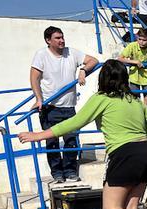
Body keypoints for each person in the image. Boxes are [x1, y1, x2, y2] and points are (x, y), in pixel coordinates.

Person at [19, 59, 147, 209]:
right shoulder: (134, 100)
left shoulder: (101, 98)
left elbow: (75, 122)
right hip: (145, 152)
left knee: (110, 207)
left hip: (124, 153)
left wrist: (39, 135)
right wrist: (140, 139)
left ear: (103, 79)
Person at [30, 26, 98, 183]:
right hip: (50, 108)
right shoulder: (41, 55)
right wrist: (38, 98)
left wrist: (83, 70)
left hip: (69, 107)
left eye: (62, 37)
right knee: (52, 142)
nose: (62, 40)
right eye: (57, 38)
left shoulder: (71, 52)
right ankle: (57, 173)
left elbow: (93, 60)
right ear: (48, 40)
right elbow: (34, 78)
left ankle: (70, 171)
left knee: (71, 140)